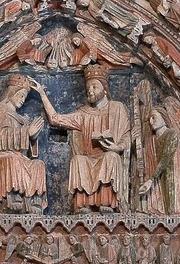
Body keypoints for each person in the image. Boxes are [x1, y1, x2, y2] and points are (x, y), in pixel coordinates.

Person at [31, 66, 130, 211]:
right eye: (88, 88)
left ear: (105, 89)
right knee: (78, 160)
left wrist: (117, 147)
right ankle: (83, 205)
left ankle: (106, 203)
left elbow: (126, 136)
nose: (90, 90)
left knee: (111, 157)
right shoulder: (83, 113)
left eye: (95, 86)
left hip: (107, 154)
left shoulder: (117, 108)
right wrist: (42, 93)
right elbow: (54, 119)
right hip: (88, 157)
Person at [0, 73, 47, 212]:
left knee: (38, 164)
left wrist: (33, 137)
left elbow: (29, 152)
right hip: (4, 155)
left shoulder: (21, 119)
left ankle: (33, 202)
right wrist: (27, 132)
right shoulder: (0, 109)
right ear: (11, 93)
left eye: (24, 98)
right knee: (12, 159)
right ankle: (13, 197)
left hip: (20, 156)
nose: (22, 100)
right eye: (20, 95)